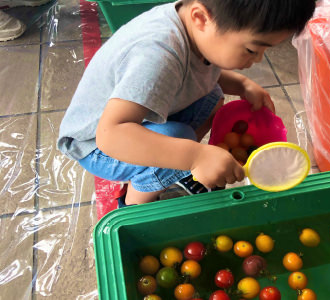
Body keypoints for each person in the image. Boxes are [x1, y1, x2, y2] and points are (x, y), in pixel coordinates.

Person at [58, 0, 316, 206]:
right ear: (201, 18)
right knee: (179, 136)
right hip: (95, 146)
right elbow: (110, 135)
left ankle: (170, 167)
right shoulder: (157, 54)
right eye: (252, 49)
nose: (258, 60)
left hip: (129, 121)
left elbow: (197, 73)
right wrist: (195, 156)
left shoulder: (195, 28)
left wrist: (240, 84)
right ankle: (136, 203)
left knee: (212, 96)